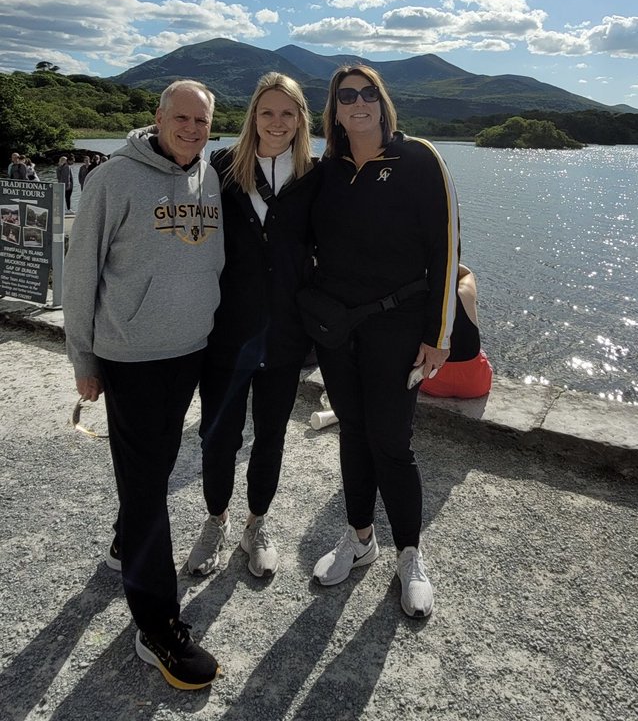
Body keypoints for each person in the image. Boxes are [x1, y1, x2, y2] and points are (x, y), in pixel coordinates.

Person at [63, 80, 225, 691]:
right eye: (180, 118)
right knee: (147, 481)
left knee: (151, 470)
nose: (190, 129)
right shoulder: (112, 180)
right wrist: (83, 356)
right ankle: (155, 625)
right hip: (129, 356)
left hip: (190, 352)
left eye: (201, 121)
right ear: (157, 118)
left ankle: (122, 546)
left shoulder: (210, 176)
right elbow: (79, 276)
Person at [306, 65, 459, 619]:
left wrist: (439, 336)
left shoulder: (419, 159)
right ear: (336, 109)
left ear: (382, 101)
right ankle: (360, 539)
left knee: (392, 441)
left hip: (398, 326)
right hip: (337, 330)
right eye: (347, 96)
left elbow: (446, 249)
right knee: (352, 432)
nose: (359, 103)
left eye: (369, 93)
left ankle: (410, 556)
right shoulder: (326, 170)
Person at [187, 72, 319, 578]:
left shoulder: (316, 174)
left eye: (288, 113)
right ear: (253, 117)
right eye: (267, 112)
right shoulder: (220, 166)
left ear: (301, 119)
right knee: (218, 436)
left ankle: (255, 523)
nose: (277, 122)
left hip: (286, 335)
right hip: (226, 331)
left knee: (270, 435)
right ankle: (215, 520)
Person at [419, 264, 493, 399]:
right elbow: (466, 273)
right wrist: (439, 260)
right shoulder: (463, 292)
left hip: (431, 381)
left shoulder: (417, 297)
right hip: (476, 385)